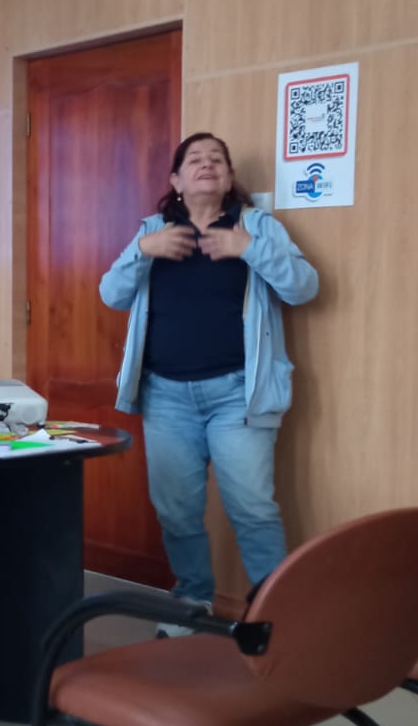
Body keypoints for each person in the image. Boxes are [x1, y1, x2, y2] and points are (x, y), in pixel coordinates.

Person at [100, 132, 318, 634]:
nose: (206, 164)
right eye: (194, 159)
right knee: (176, 512)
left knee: (253, 509)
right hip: (165, 396)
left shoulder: (255, 226)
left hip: (238, 394)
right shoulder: (153, 230)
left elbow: (304, 287)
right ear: (176, 181)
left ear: (229, 177)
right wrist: (143, 250)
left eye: (216, 159)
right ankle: (191, 603)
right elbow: (111, 294)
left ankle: (275, 617)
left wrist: (250, 250)